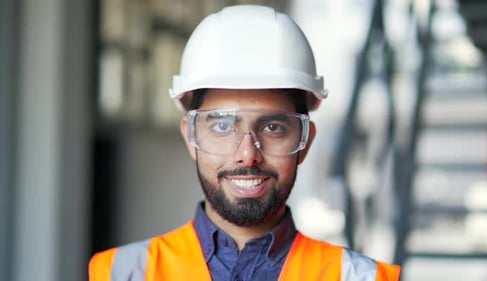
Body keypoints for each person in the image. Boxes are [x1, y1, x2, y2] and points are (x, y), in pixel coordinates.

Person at [88, 4, 401, 281]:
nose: (248, 155)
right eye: (223, 125)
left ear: (305, 142)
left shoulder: (361, 278)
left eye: (273, 127)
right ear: (190, 136)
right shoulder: (121, 272)